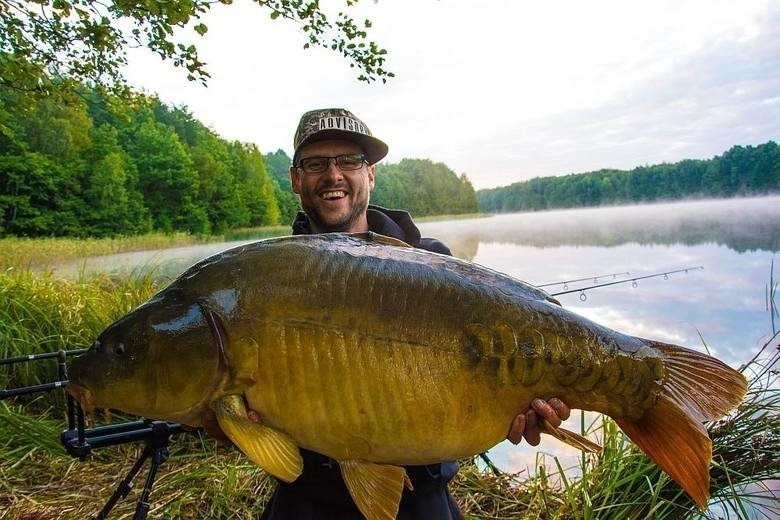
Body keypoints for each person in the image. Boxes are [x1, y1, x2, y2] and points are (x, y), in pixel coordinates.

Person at [253, 108, 571, 519]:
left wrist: (527, 408)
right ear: (296, 179)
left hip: (421, 498)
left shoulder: (433, 263)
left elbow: (490, 380)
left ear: (371, 174)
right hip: (306, 500)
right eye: (316, 164)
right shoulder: (269, 281)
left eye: (349, 160)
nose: (333, 175)